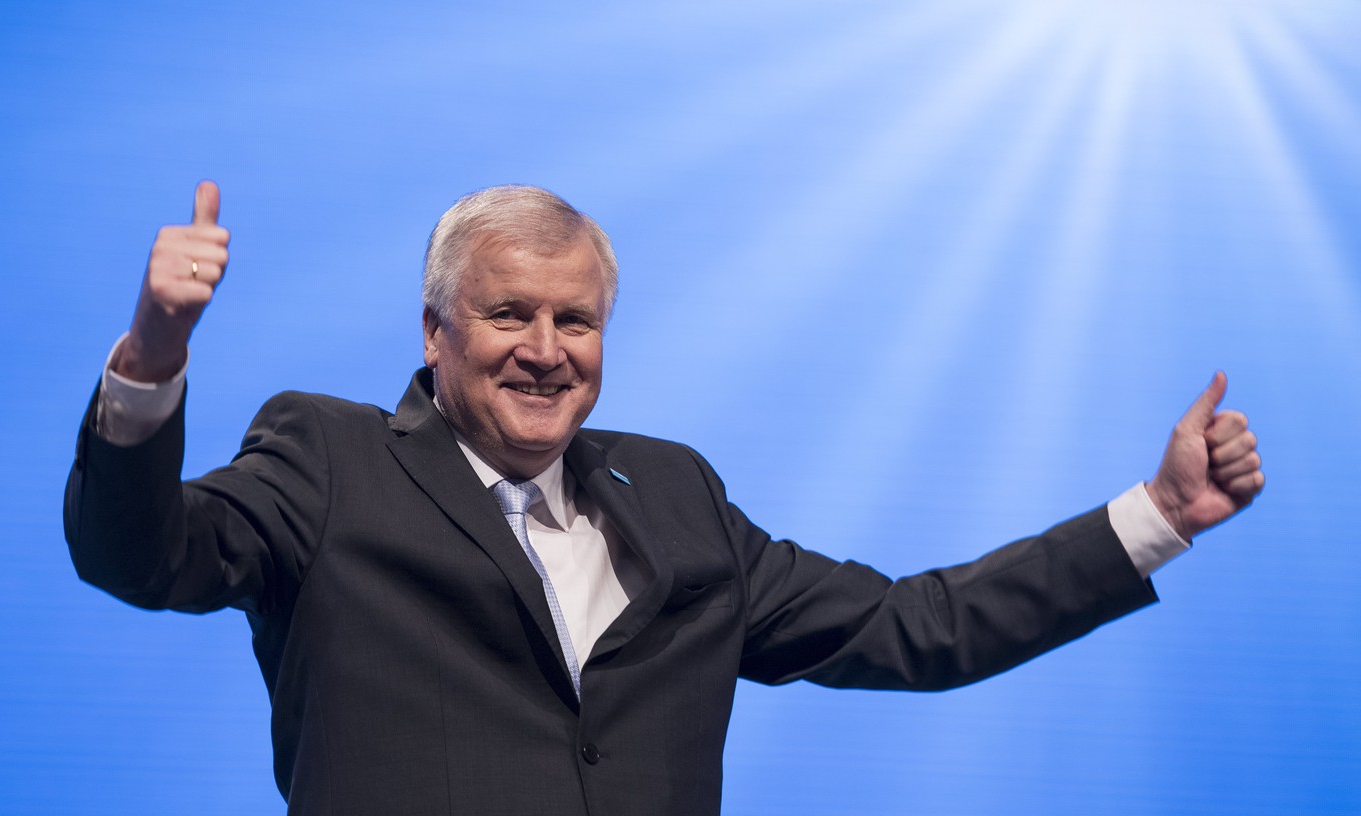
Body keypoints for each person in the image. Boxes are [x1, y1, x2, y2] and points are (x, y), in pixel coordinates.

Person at [64, 180, 1264, 815]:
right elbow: (144, 556)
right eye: (507, 315)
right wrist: (155, 352)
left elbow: (911, 626)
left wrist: (1156, 511)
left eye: (575, 319)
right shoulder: (330, 459)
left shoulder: (676, 493)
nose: (547, 348)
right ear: (435, 334)